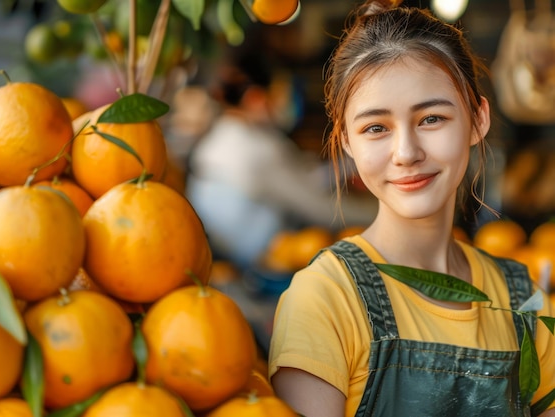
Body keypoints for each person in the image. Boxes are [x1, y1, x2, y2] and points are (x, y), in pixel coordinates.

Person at [268, 1, 555, 416]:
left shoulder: (525, 303)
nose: (405, 152)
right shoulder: (326, 298)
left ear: (477, 119)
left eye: (431, 119)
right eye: (376, 128)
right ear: (347, 141)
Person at [184, 41, 377, 271]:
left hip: (229, 261)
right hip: (267, 269)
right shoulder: (258, 150)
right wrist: (386, 213)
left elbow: (302, 179)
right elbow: (322, 209)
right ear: (256, 98)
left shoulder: (217, 139)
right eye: (281, 93)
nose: (284, 102)